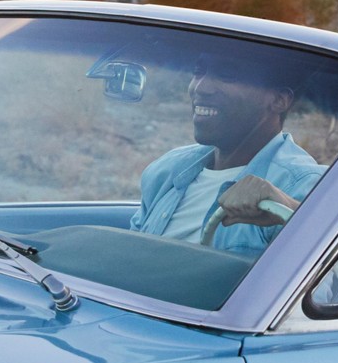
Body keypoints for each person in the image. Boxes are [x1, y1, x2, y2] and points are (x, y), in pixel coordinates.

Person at [129, 53, 325, 256]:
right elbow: (128, 259)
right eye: (198, 72)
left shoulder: (305, 187)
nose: (200, 87)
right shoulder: (168, 168)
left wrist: (293, 210)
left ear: (279, 100)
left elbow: (322, 280)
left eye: (227, 75)